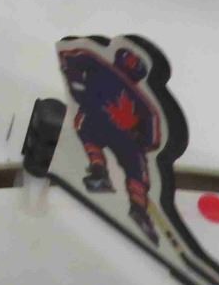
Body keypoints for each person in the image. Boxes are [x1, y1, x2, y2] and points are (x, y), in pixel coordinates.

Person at [58, 44, 163, 244]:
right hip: (118, 132)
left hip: (96, 118)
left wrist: (75, 81)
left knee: (86, 127)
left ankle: (99, 171)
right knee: (136, 164)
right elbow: (153, 137)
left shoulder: (99, 64)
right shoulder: (144, 102)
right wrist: (142, 141)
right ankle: (137, 206)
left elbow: (70, 56)